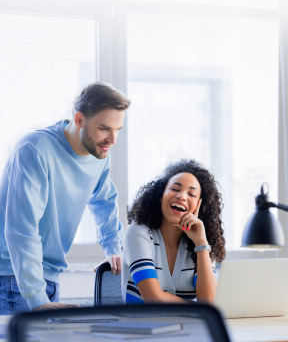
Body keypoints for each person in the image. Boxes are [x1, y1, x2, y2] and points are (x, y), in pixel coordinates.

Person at [0, 81, 130, 314]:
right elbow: (22, 230)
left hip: (49, 278)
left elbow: (105, 200)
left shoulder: (99, 154)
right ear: (79, 120)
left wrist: (113, 247)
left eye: (118, 129)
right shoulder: (34, 150)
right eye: (104, 128)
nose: (113, 139)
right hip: (11, 278)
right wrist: (37, 298)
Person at [122, 159, 225, 304]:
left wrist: (201, 243)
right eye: (175, 189)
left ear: (199, 206)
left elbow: (209, 301)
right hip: (142, 325)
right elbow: (153, 298)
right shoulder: (138, 232)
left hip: (187, 326)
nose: (182, 196)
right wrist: (199, 310)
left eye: (192, 194)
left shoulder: (201, 243)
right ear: (160, 196)